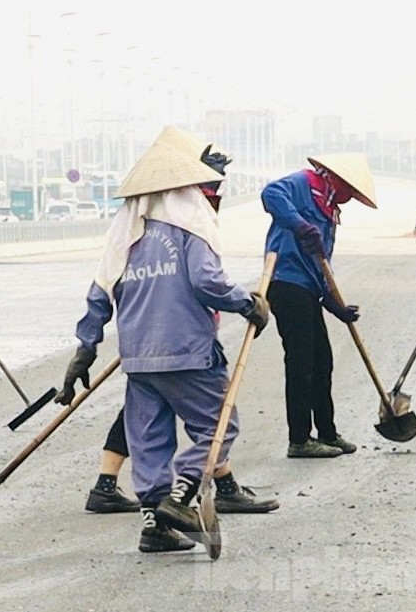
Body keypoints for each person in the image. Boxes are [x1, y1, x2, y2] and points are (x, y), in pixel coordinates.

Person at [58, 125, 276, 553]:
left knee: (150, 442)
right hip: (187, 351)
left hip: (138, 357)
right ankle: (179, 499)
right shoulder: (190, 221)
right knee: (219, 428)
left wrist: (85, 347)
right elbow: (207, 281)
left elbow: (99, 292)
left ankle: (154, 528)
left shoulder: (125, 230)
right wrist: (247, 304)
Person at [261, 153, 377, 459]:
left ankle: (327, 432)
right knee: (301, 362)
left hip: (309, 289)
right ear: (336, 179)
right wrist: (299, 225)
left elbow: (322, 266)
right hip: (285, 282)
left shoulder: (330, 214)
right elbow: (270, 194)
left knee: (322, 361)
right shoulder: (302, 183)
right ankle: (299, 439)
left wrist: (334, 304)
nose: (348, 198)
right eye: (348, 191)